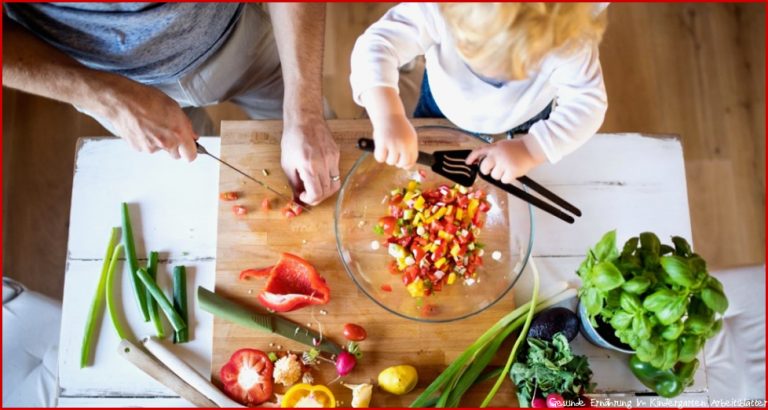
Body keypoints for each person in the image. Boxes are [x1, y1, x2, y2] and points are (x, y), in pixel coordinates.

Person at [3, 3, 340, 205]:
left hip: (237, 36)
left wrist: (304, 113)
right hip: (104, 78)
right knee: (199, 187)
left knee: (320, 157)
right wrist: (109, 99)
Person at [350, 3, 608, 184]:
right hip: (441, 106)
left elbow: (587, 103)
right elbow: (377, 44)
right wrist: (389, 117)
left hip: (525, 120)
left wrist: (531, 149)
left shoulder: (568, 39)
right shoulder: (441, 8)